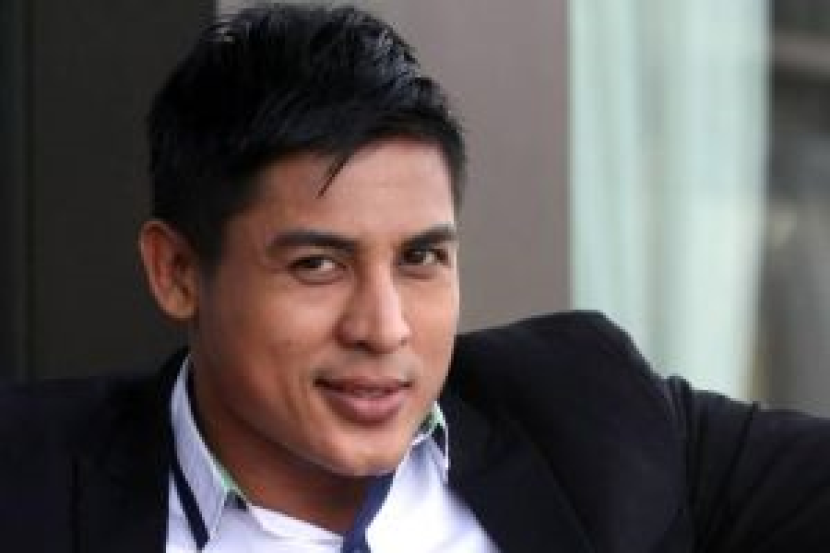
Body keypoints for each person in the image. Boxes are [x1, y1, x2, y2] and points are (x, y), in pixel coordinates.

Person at [2, 3, 830, 552]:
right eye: (318, 264)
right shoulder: (28, 481)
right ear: (177, 270)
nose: (384, 326)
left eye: (420, 257)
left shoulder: (587, 415)